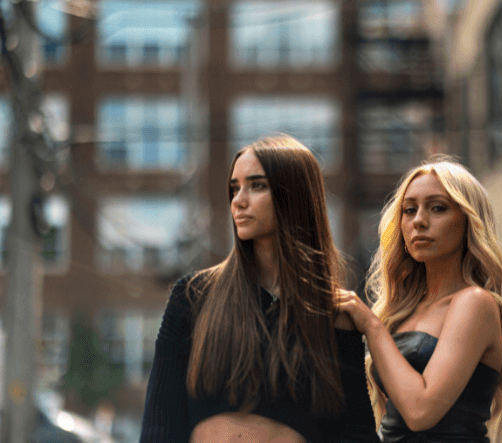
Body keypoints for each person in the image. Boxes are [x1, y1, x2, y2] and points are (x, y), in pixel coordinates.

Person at [141, 136, 377, 442]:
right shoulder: (194, 296)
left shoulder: (332, 314)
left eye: (257, 185)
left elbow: (355, 433)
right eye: (234, 188)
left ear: (294, 195)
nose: (239, 200)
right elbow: (160, 422)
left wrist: (371, 325)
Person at [332, 158, 502, 442]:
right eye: (409, 210)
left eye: (438, 207)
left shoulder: (475, 303)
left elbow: (420, 411)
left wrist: (370, 324)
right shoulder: (402, 312)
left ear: (468, 220)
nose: (419, 221)